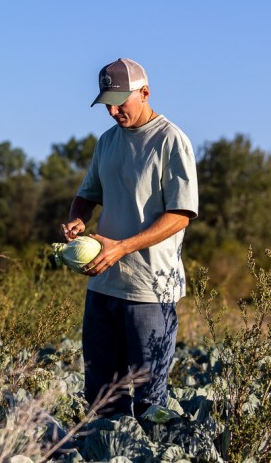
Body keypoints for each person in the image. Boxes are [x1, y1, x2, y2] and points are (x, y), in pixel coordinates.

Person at [62, 58, 198, 417]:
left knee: (149, 404)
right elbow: (86, 195)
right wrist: (77, 219)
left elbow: (180, 215)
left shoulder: (171, 141)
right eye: (107, 102)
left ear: (145, 92)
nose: (113, 111)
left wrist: (122, 248)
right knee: (101, 399)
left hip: (150, 291)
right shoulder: (107, 142)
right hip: (103, 286)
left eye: (121, 101)